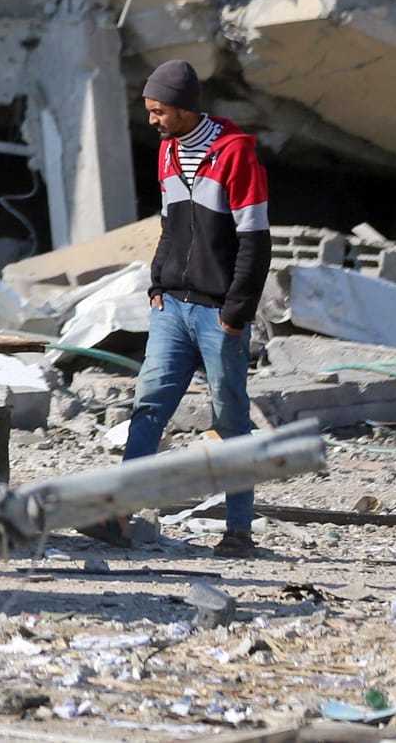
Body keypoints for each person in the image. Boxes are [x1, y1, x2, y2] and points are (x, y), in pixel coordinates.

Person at [99, 59, 272, 556]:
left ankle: (238, 531)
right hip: (171, 307)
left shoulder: (237, 155)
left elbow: (256, 242)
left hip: (219, 315)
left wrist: (235, 312)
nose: (152, 120)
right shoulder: (168, 153)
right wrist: (157, 284)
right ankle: (119, 516)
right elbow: (170, 228)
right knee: (148, 407)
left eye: (159, 111)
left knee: (231, 416)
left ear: (184, 108)